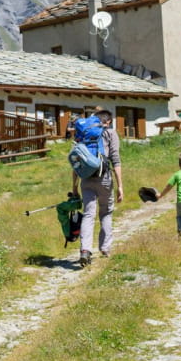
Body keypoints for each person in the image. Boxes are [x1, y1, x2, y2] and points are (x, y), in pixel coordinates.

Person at [67, 107, 123, 264]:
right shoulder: (110, 133)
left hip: (86, 178)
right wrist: (120, 186)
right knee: (105, 212)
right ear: (108, 121)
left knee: (88, 214)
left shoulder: (83, 135)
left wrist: (74, 187)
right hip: (104, 177)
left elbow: (76, 163)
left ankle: (85, 250)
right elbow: (116, 160)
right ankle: (105, 248)